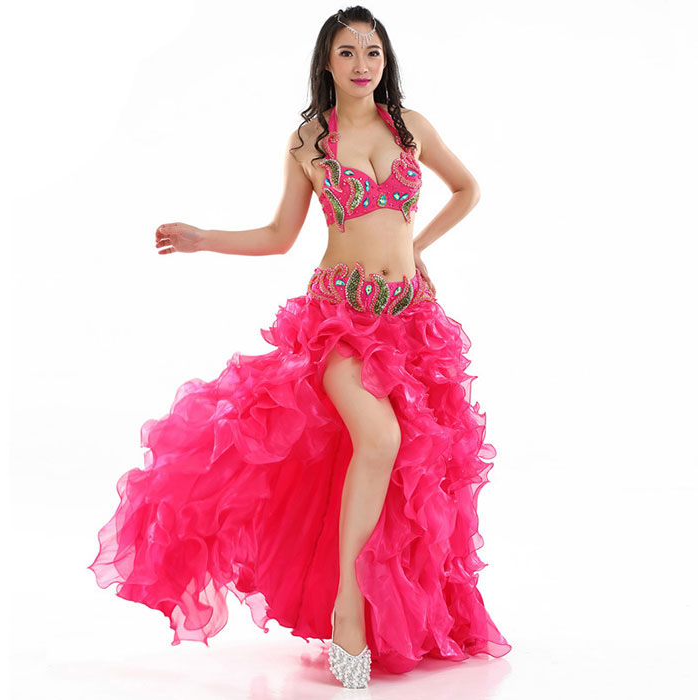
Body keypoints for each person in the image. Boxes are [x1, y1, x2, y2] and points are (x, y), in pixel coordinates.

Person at [86, 6, 512, 689]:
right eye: (347, 52)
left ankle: (381, 606)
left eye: (372, 51)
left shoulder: (410, 128)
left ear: (385, 60)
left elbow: (468, 190)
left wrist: (417, 249)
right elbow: (280, 235)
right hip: (338, 319)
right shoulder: (309, 141)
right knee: (380, 439)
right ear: (327, 63)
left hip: (410, 320)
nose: (362, 64)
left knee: (413, 466)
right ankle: (348, 606)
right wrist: (204, 238)